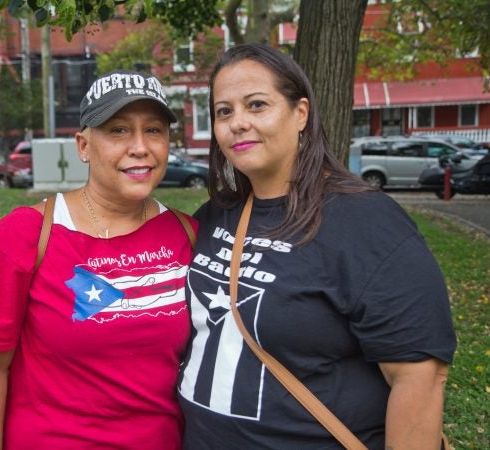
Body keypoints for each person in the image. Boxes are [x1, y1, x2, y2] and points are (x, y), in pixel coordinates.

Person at [177, 43, 456, 449]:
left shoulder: (366, 222)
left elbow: (419, 377)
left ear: (300, 114)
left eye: (256, 105)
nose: (237, 122)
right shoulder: (214, 216)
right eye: (224, 111)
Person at [0, 70, 197, 449]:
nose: (140, 147)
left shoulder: (187, 234)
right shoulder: (23, 236)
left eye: (153, 130)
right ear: (83, 146)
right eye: (118, 130)